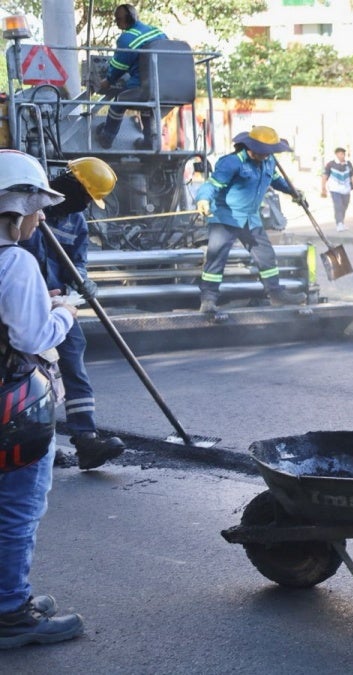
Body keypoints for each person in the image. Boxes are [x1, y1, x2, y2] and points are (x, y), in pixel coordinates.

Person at [0, 149, 86, 648]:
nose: (42, 216)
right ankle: (11, 612)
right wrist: (65, 312)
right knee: (16, 508)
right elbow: (32, 337)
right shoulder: (14, 262)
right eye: (37, 206)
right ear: (15, 207)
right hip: (12, 407)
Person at [19, 158, 126, 471]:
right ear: (70, 183)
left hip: (58, 303)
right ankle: (35, 441)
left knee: (73, 363)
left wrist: (81, 279)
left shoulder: (75, 221)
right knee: (27, 374)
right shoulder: (29, 206)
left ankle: (86, 439)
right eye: (85, 197)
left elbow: (77, 260)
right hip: (22, 301)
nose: (85, 205)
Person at [194, 126, 308, 321]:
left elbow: (277, 181)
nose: (267, 155)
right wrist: (203, 200)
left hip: (250, 218)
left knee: (266, 256)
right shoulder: (232, 163)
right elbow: (211, 185)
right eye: (264, 151)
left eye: (270, 152)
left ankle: (276, 294)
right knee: (216, 257)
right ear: (252, 147)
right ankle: (208, 301)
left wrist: (293, 192)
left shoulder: (269, 161)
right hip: (226, 217)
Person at [93, 4, 167, 150]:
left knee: (120, 101)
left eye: (117, 18)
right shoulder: (156, 31)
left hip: (144, 84)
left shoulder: (128, 37)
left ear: (126, 19)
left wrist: (108, 80)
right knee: (147, 105)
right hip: (164, 84)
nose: (115, 22)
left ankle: (107, 138)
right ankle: (149, 141)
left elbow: (118, 66)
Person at [320, 147, 353, 232]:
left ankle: (342, 222)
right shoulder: (331, 164)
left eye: (343, 154)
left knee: (344, 205)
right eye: (340, 154)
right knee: (338, 205)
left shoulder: (348, 164)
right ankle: (339, 223)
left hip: (346, 189)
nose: (342, 156)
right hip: (335, 189)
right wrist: (323, 188)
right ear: (336, 154)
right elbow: (324, 176)